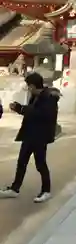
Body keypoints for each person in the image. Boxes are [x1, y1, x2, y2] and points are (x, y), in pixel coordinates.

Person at [0, 72, 59, 203]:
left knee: (40, 164)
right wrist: (20, 109)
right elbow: (32, 113)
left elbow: (41, 115)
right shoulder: (35, 96)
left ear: (32, 85)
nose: (28, 88)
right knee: (21, 162)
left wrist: (21, 109)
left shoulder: (49, 98)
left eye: (28, 86)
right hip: (29, 135)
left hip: (40, 136)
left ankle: (46, 190)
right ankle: (15, 189)